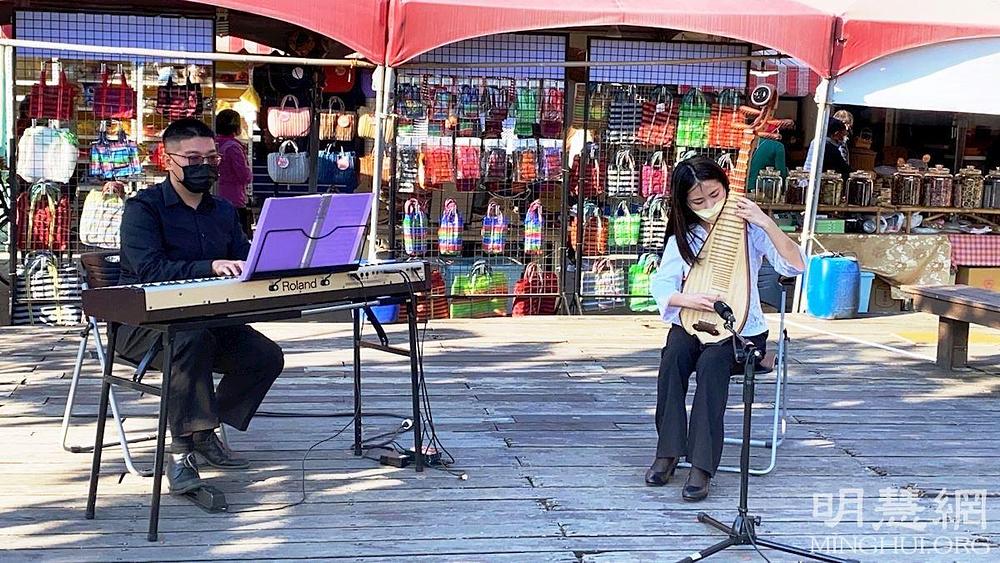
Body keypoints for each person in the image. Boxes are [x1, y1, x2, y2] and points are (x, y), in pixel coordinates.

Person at [116, 118, 284, 495]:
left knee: (265, 357)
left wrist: (277, 260)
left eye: (211, 158)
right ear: (167, 160)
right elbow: (150, 270)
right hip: (143, 326)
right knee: (190, 341)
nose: (204, 166)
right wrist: (210, 266)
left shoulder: (222, 211)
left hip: (207, 321)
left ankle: (204, 430)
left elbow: (245, 259)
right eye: (193, 158)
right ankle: (181, 453)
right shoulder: (143, 209)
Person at [645, 157, 805, 501]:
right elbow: (662, 285)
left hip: (741, 330)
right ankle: (668, 451)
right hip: (693, 319)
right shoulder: (686, 235)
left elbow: (795, 265)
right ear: (685, 204)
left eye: (715, 195)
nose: (708, 205)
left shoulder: (750, 228)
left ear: (726, 188)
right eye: (698, 201)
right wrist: (688, 299)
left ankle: (702, 466)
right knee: (673, 355)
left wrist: (765, 221)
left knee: (712, 363)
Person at [215, 109, 254, 238]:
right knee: (238, 237)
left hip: (215, 194)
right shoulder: (234, 147)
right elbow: (244, 175)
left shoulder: (213, 144)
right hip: (234, 198)